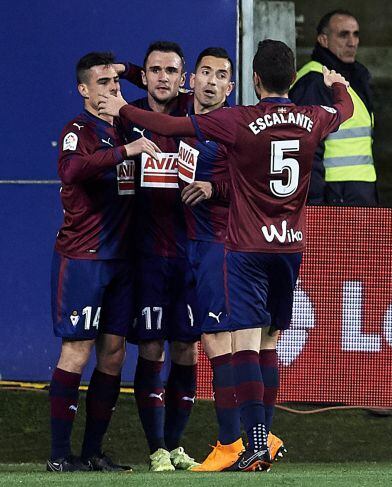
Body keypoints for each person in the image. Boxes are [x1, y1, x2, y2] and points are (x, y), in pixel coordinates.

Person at [98, 39, 354, 471]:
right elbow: (343, 110)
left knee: (237, 343)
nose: (211, 82)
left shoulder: (235, 121)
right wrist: (336, 85)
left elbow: (170, 128)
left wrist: (121, 106)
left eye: (222, 76)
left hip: (242, 245)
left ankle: (238, 442)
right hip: (290, 247)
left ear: (249, 81)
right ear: (292, 79)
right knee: (264, 339)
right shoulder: (315, 117)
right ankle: (261, 438)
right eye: (206, 74)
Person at [48, 51, 160, 472]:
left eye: (114, 84)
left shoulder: (129, 126)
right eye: (101, 84)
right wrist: (126, 150)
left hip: (123, 262)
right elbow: (72, 171)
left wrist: (129, 72)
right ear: (83, 90)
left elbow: (171, 95)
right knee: (76, 351)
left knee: (113, 355)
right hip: (84, 258)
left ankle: (93, 452)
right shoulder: (78, 130)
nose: (111, 91)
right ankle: (59, 456)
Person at [121, 41, 200, 472]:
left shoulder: (196, 116)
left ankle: (175, 444)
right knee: (151, 348)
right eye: (154, 70)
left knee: (187, 350)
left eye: (171, 70)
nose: (162, 77)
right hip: (148, 257)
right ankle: (155, 449)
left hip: (190, 257)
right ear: (145, 76)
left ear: (183, 77)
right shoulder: (128, 120)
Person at [290, 9, 377, 206]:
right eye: (343, 34)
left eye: (356, 34)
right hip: (334, 195)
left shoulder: (356, 78)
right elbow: (306, 148)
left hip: (356, 191)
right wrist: (315, 202)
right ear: (323, 39)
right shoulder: (314, 81)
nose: (352, 42)